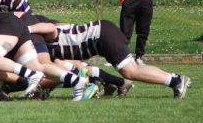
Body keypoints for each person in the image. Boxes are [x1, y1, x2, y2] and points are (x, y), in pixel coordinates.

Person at [27, 19, 191, 98]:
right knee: (130, 69)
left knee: (130, 71)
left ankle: (175, 81)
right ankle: (174, 79)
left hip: (102, 35)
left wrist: (27, 28)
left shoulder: (43, 31)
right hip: (102, 36)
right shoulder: (48, 51)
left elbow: (49, 27)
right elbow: (70, 67)